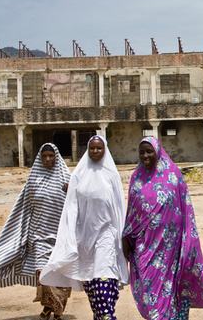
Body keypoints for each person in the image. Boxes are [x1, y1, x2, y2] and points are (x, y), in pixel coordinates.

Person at [122, 137, 203, 320]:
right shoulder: (136, 177)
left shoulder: (173, 176)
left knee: (173, 291)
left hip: (172, 250)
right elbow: (131, 212)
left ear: (158, 152)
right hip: (145, 248)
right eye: (142, 152)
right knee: (150, 295)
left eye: (149, 151)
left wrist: (188, 243)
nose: (145, 155)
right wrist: (126, 237)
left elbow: (185, 210)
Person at [40, 135, 129, 320]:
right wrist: (69, 236)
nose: (95, 151)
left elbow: (120, 209)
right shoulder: (79, 175)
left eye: (99, 148)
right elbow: (71, 208)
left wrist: (121, 239)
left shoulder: (111, 175)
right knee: (92, 288)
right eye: (92, 148)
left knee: (104, 282)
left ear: (105, 151)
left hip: (106, 235)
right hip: (85, 239)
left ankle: (107, 316)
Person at [0, 143, 71, 320]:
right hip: (38, 237)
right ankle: (56, 308)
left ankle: (50, 306)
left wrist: (71, 191)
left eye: (51, 156)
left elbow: (77, 206)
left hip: (61, 237)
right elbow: (23, 209)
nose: (48, 159)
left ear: (56, 157)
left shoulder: (66, 179)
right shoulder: (33, 180)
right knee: (43, 272)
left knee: (60, 274)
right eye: (44, 156)